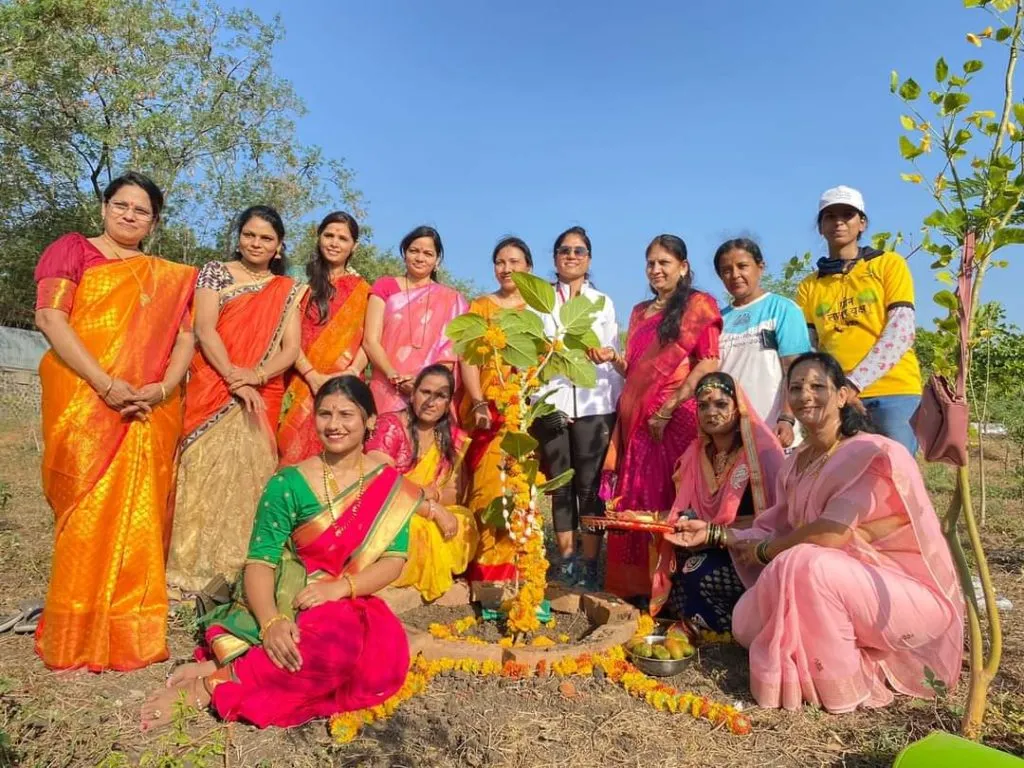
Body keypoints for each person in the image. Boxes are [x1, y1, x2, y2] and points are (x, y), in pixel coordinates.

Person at [672, 352, 963, 713]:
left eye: (817, 386)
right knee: (745, 623)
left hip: (899, 592)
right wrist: (713, 533)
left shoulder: (871, 452)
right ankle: (847, 646)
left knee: (805, 562)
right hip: (835, 584)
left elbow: (830, 535)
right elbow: (773, 525)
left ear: (842, 395)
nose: (805, 395)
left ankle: (840, 683)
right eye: (795, 388)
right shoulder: (795, 464)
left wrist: (767, 552)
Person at [140, 376, 422, 730]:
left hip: (350, 600)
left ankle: (220, 673)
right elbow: (260, 561)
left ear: (369, 422)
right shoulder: (288, 483)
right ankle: (207, 689)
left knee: (374, 659)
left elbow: (394, 562)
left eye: (346, 415)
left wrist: (339, 589)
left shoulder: (389, 486)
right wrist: (272, 622)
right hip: (289, 599)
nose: (334, 425)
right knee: (311, 647)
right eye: (325, 414)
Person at [32, 172, 197, 672]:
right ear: (104, 207)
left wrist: (162, 388)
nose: (129, 215)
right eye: (121, 205)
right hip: (85, 399)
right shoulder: (73, 250)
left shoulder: (167, 276)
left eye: (141, 210)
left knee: (138, 516)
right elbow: (50, 319)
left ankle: (130, 632)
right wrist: (105, 383)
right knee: (85, 513)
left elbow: (185, 339)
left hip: (147, 406)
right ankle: (74, 632)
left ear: (154, 221)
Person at [167, 206, 305, 594]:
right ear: (239, 236)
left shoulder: (287, 290)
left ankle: (239, 572)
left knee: (251, 480)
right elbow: (205, 330)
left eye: (266, 238)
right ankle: (187, 571)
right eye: (250, 235)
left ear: (279, 247)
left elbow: (291, 348)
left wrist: (256, 376)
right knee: (200, 473)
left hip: (262, 390)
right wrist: (234, 378)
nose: (256, 243)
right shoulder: (215, 271)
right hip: (213, 384)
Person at [602, 234, 722, 602]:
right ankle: (635, 590)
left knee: (672, 500)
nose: (656, 270)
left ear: (683, 267)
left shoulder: (699, 306)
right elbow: (638, 371)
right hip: (637, 423)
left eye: (664, 263)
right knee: (637, 499)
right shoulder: (639, 312)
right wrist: (613, 359)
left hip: (675, 420)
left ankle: (675, 594)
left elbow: (709, 363)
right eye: (650, 263)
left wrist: (668, 409)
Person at [649, 372, 785, 629]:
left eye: (721, 404)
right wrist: (644, 518)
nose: (711, 412)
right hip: (704, 541)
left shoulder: (762, 453)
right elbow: (686, 511)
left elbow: (774, 521)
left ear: (738, 408)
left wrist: (714, 533)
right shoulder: (697, 453)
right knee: (669, 560)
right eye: (703, 405)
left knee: (694, 570)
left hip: (752, 549)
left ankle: (737, 624)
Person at [795, 185, 922, 454]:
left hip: (893, 391)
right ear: (820, 227)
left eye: (848, 215)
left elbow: (901, 331)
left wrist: (854, 383)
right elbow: (811, 349)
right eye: (830, 216)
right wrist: (833, 390)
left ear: (862, 223)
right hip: (839, 397)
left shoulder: (888, 264)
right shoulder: (809, 286)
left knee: (895, 474)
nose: (839, 222)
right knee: (846, 477)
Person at [529, 227, 622, 591]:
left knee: (590, 486)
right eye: (564, 250)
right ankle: (566, 560)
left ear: (589, 259)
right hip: (551, 399)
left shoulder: (603, 301)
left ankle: (589, 562)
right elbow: (534, 352)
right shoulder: (538, 302)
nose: (571, 255)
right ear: (554, 258)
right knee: (560, 484)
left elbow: (610, 350)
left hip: (594, 399)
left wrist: (603, 355)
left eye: (579, 250)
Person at [458, 236, 535, 589]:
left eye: (515, 262)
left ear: (528, 268)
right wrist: (478, 402)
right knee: (488, 490)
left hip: (526, 413)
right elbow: (468, 358)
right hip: (488, 412)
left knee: (521, 491)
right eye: (501, 262)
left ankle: (522, 574)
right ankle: (485, 574)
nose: (507, 268)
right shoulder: (481, 307)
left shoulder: (539, 312)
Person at [366, 365, 478, 601]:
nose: (431, 402)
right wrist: (432, 509)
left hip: (418, 506)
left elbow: (452, 493)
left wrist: (432, 496)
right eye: (425, 392)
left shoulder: (446, 436)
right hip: (385, 509)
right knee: (417, 529)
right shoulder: (391, 426)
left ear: (448, 403)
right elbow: (381, 485)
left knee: (463, 522)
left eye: (440, 396)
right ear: (413, 393)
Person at [277, 211, 370, 465]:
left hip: (345, 385)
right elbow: (286, 334)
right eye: (329, 235)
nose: (334, 242)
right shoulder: (297, 278)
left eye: (342, 238)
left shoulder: (363, 289)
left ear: (354, 246)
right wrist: (311, 376)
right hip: (299, 380)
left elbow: (369, 341)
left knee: (338, 454)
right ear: (319, 238)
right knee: (289, 452)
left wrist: (350, 372)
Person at [714, 238, 810, 449]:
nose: (735, 275)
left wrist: (786, 418)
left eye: (743, 266)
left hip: (775, 434)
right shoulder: (717, 320)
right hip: (732, 439)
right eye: (726, 270)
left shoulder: (783, 309)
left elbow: (796, 371)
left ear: (760, 267)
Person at [363, 226, 468, 415]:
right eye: (414, 251)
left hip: (431, 393)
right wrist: (394, 376)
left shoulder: (451, 300)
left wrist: (423, 384)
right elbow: (371, 341)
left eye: (428, 253)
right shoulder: (385, 286)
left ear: (437, 260)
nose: (420, 258)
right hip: (386, 386)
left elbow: (449, 354)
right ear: (404, 254)